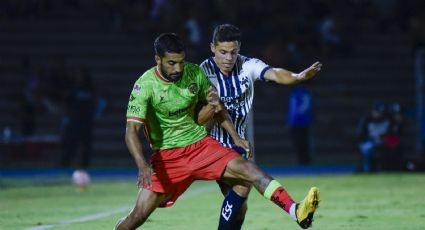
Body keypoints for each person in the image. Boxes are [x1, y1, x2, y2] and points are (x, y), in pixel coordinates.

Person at [115, 33, 320, 230]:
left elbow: (217, 107)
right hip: (167, 157)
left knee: (251, 172)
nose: (178, 68)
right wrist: (142, 165)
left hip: (201, 146)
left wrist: (236, 137)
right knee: (137, 217)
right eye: (171, 63)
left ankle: (296, 211)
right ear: (157, 59)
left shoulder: (194, 72)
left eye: (181, 61)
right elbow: (131, 131)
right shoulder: (145, 86)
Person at [199, 24, 322, 229]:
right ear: (212, 47)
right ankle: (296, 211)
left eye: (233, 52)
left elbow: (274, 73)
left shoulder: (248, 65)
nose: (229, 58)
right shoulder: (202, 72)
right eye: (223, 52)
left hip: (238, 146)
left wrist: (297, 77)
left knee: (240, 204)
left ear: (239, 48)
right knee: (252, 174)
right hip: (211, 146)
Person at [287, 85, 313, 165]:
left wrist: (291, 121)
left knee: (300, 142)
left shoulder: (297, 93)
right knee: (303, 142)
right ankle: (304, 159)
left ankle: (302, 160)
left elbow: (295, 109)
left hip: (298, 122)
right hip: (303, 122)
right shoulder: (305, 92)